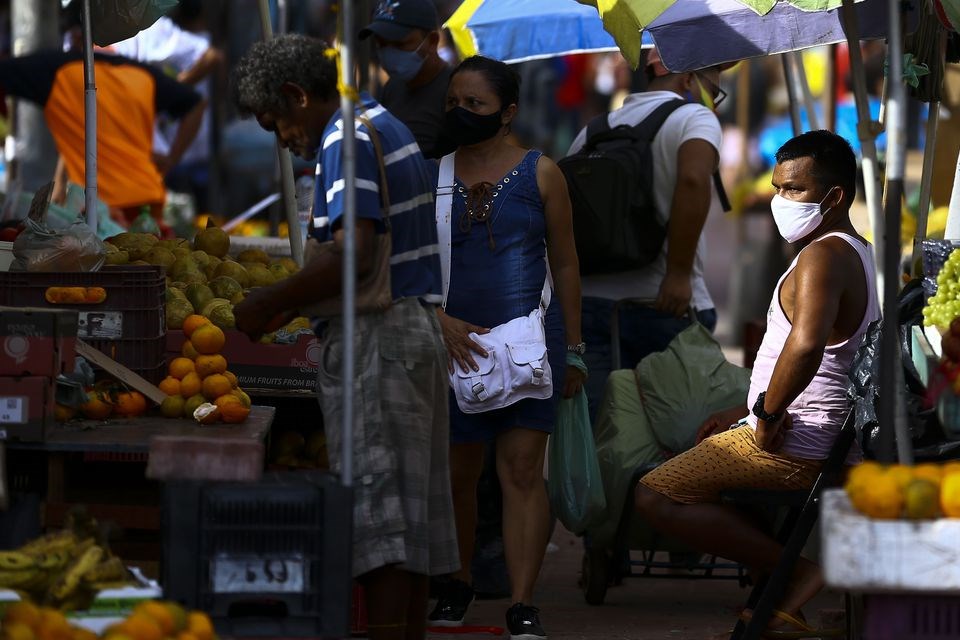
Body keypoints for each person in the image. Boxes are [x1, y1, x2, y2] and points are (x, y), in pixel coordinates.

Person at [230, 34, 458, 640]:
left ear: (297, 96)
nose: (282, 140)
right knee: (406, 524)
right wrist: (291, 305)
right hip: (407, 332)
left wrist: (270, 300)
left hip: (380, 341)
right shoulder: (376, 122)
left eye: (276, 123)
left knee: (382, 524)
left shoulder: (345, 138)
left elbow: (353, 252)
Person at [635, 130, 880, 633]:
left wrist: (767, 414)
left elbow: (806, 346)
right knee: (702, 462)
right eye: (778, 188)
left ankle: (796, 572)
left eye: (795, 189)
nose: (781, 201)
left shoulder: (824, 256)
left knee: (656, 494)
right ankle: (782, 579)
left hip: (798, 441)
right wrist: (746, 410)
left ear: (834, 196)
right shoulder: (853, 249)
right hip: (807, 429)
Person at [430, 55, 583, 640]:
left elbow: (565, 264)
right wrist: (437, 320)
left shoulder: (542, 174)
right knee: (457, 474)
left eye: (475, 103)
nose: (461, 112)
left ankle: (522, 603)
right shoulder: (432, 175)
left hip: (529, 342)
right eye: (454, 102)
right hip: (452, 343)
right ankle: (458, 582)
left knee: (520, 471)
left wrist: (574, 348)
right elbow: (407, 264)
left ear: (508, 112)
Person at [567, 46, 730, 419]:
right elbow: (693, 179)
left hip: (592, 305)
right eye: (713, 89)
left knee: (601, 431)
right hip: (662, 304)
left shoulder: (593, 130)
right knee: (676, 435)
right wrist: (678, 273)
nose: (713, 101)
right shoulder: (694, 117)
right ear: (688, 79)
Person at [0, 48, 205, 227]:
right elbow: (196, 104)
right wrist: (171, 159)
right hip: (145, 198)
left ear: (76, 35)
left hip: (96, 206)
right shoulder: (142, 74)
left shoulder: (53, 69)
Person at [359, 0, 454, 158]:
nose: (389, 53)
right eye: (381, 44)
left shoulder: (455, 90)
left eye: (399, 44)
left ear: (432, 41)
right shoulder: (393, 87)